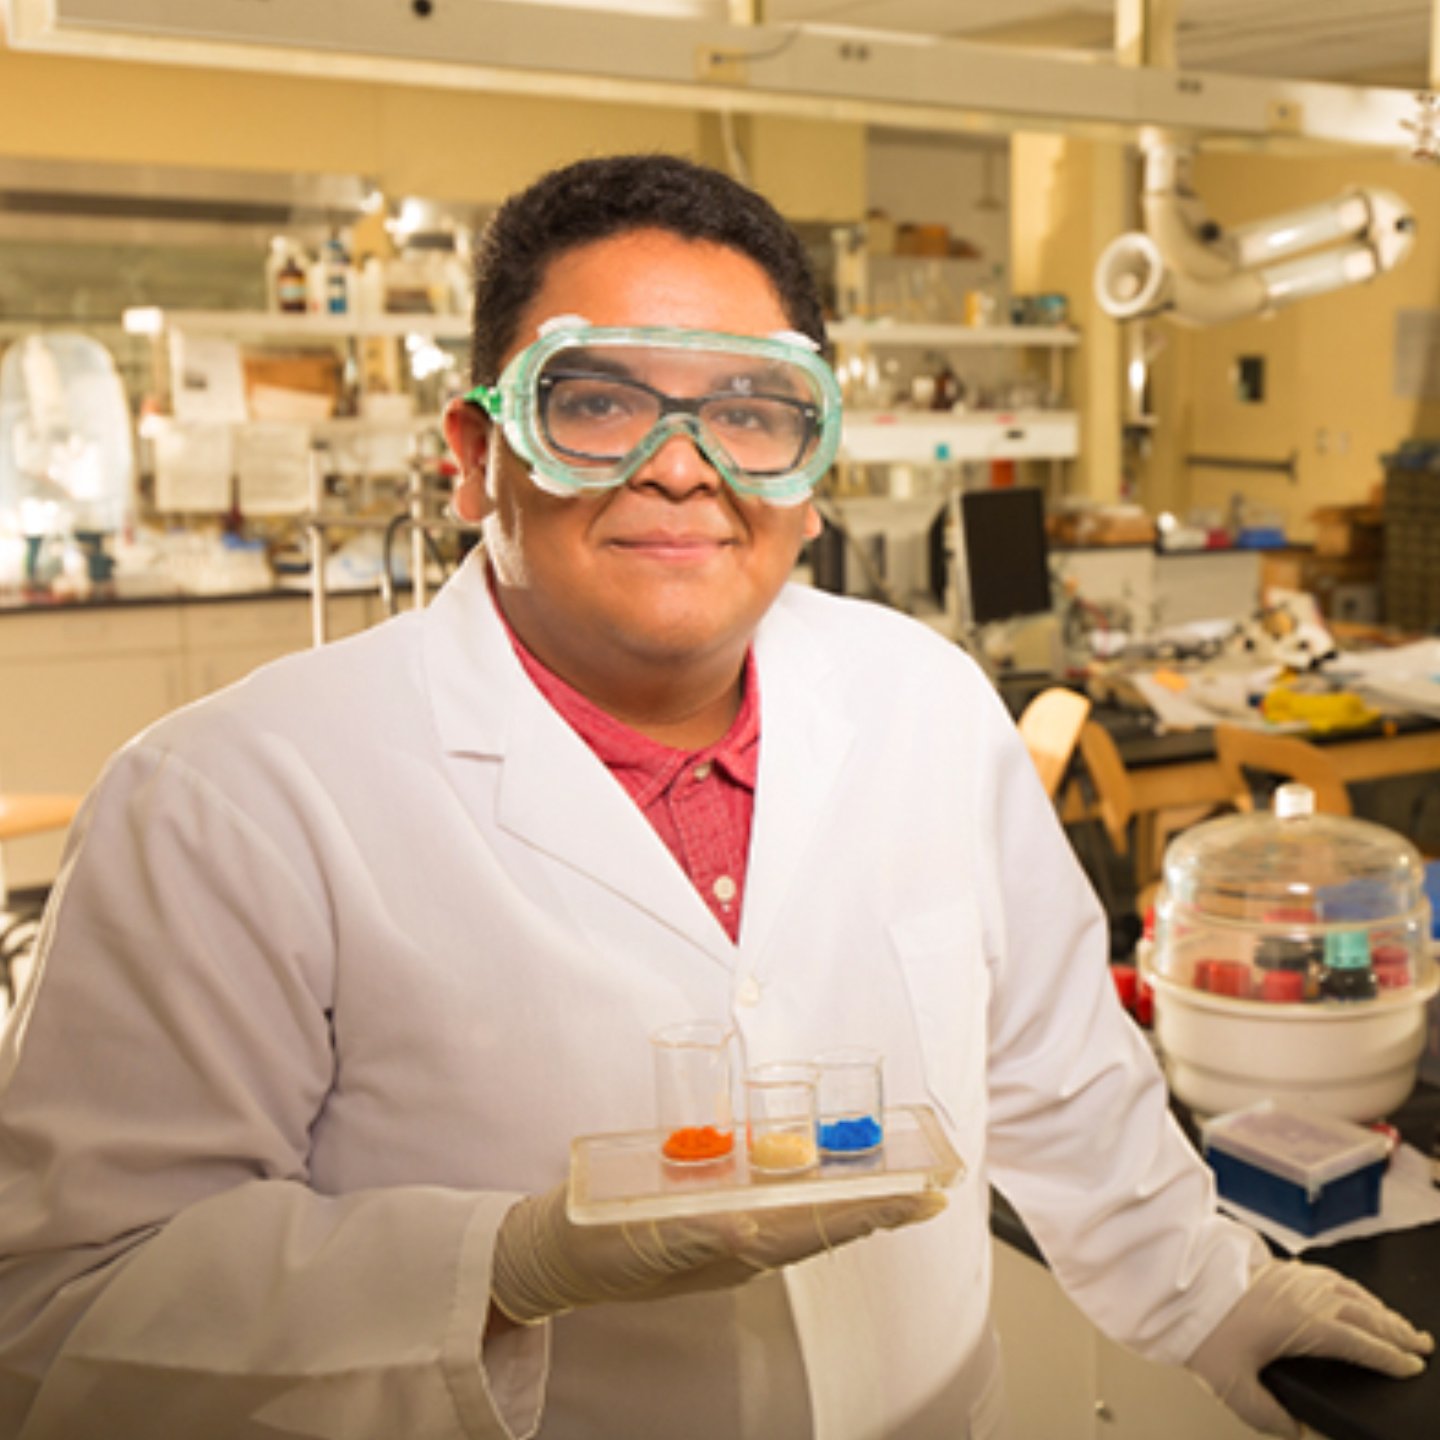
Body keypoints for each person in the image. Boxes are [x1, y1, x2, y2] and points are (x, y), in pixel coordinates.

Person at [0, 153, 1429, 1440]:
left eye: (751, 409)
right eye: (598, 400)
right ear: (473, 454)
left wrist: (1208, 1296)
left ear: (812, 475)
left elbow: (1053, 1073)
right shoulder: (231, 798)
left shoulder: (924, 702)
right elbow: (67, 1305)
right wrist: (499, 1270)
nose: (678, 467)